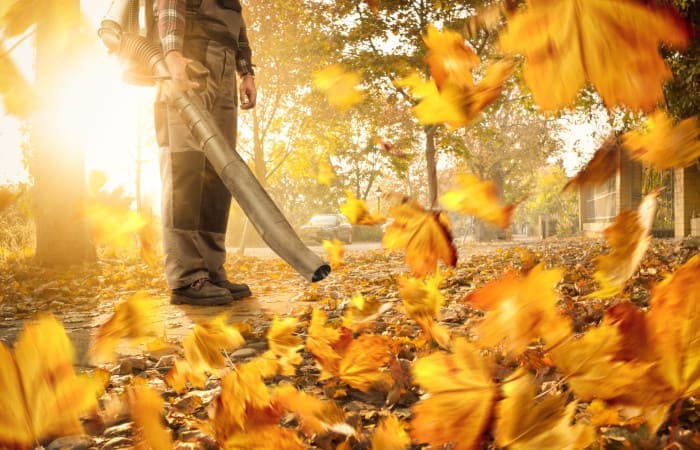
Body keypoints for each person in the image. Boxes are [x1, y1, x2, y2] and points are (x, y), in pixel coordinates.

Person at [156, 0, 257, 305]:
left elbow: (237, 25)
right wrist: (172, 55)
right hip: (190, 60)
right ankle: (186, 277)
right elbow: (169, 4)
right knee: (185, 168)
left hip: (224, 63)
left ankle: (212, 270)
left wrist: (246, 71)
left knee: (218, 173)